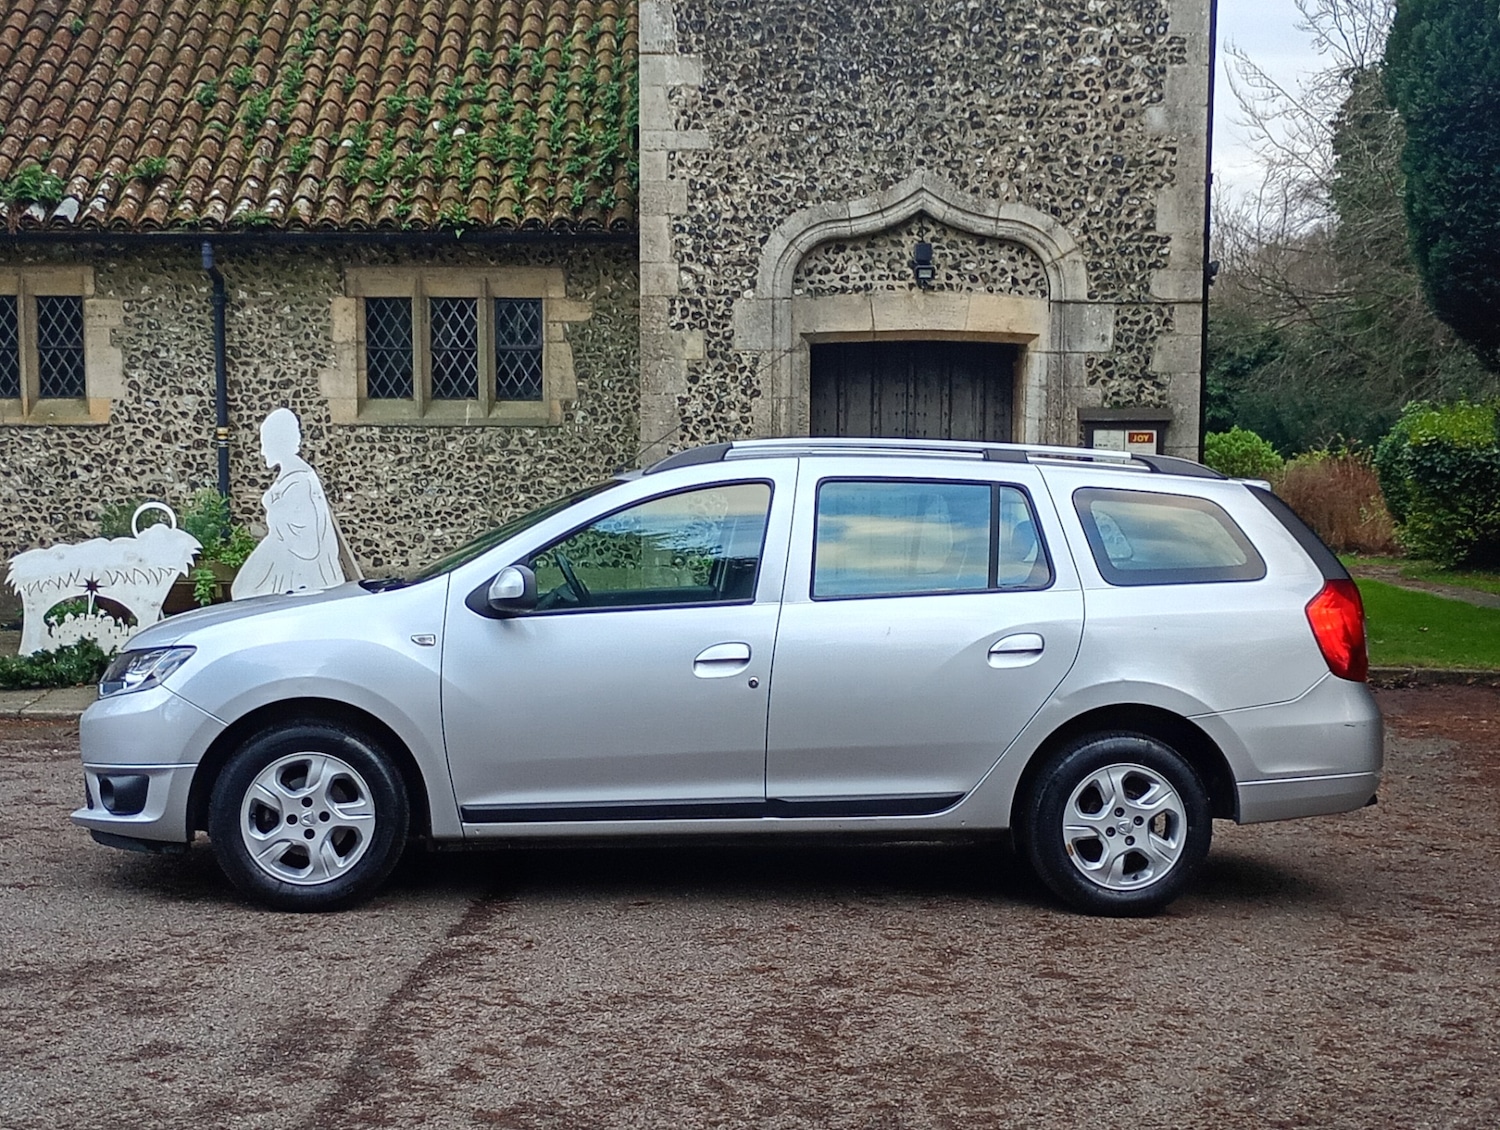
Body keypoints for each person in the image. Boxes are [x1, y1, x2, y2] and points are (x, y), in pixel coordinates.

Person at [231, 409, 349, 599]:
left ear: (278, 442)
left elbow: (308, 544)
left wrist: (277, 513)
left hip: (298, 568)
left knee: (247, 592)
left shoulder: (300, 481)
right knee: (243, 591)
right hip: (283, 553)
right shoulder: (290, 477)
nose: (262, 451)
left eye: (265, 444)